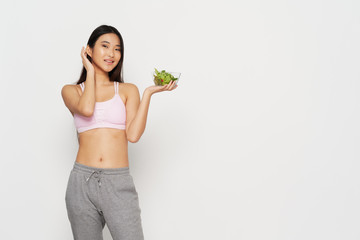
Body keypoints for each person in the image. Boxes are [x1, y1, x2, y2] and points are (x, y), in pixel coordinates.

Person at [61, 24, 178, 240]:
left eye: (117, 49)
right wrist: (89, 71)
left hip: (118, 182)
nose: (111, 54)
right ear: (89, 50)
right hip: (81, 182)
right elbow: (87, 109)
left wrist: (148, 94)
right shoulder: (72, 91)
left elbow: (133, 135)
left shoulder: (126, 90)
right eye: (105, 46)